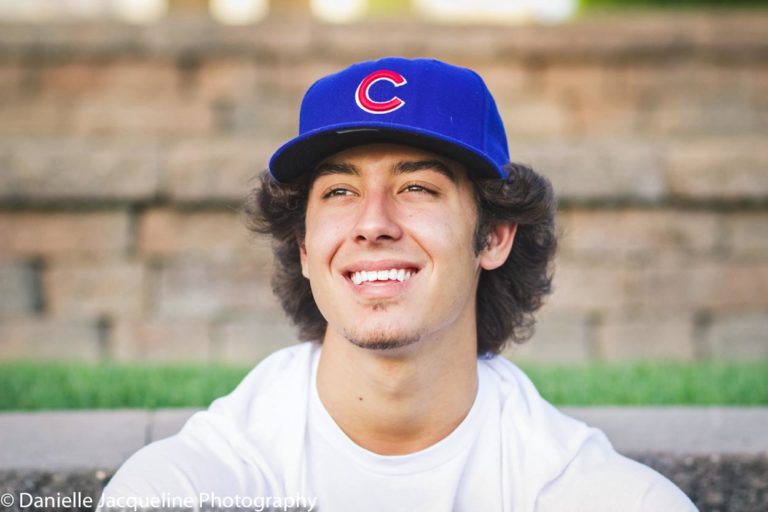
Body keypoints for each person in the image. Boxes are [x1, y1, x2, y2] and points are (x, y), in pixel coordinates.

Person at [99, 57, 698, 512]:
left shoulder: (604, 496)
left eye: (417, 188)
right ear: (305, 247)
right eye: (340, 191)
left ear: (493, 237)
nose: (373, 224)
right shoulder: (183, 486)